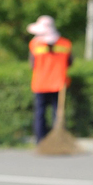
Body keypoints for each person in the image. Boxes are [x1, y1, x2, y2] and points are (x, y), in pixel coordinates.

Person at [27, 15, 72, 143]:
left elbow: (32, 64)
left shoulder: (35, 44)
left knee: (40, 113)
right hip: (59, 83)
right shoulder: (65, 43)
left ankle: (40, 140)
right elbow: (70, 62)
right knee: (58, 113)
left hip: (40, 83)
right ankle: (57, 140)